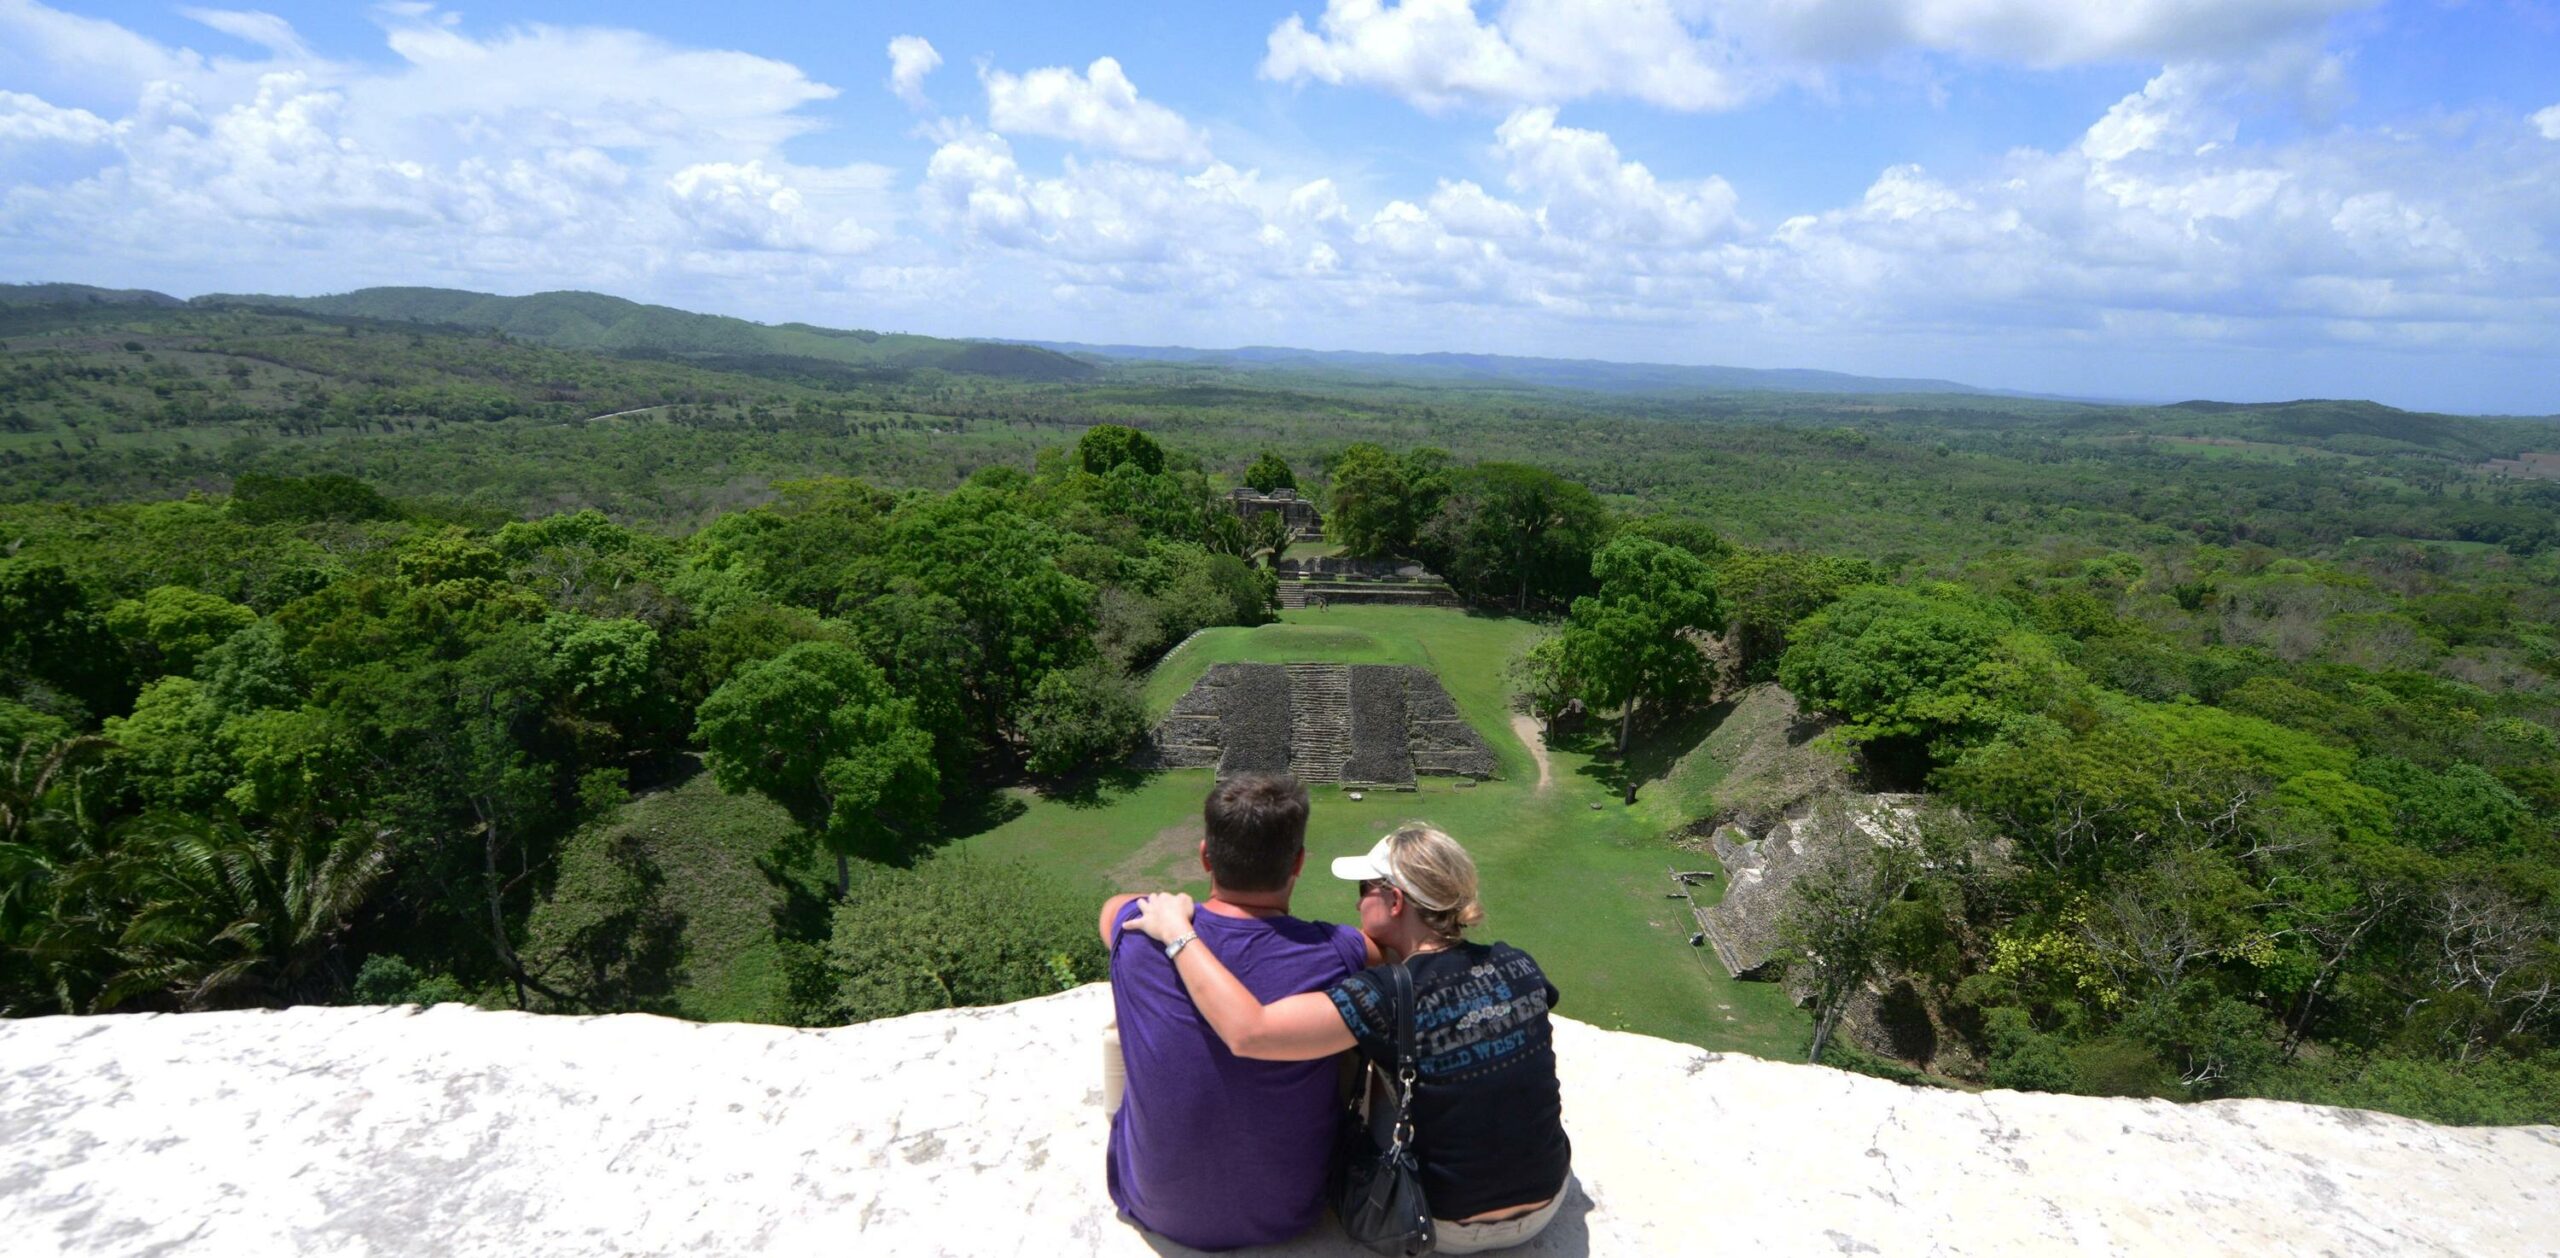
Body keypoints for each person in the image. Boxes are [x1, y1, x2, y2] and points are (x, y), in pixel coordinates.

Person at [1130, 823, 1572, 1255]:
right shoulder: (1517, 963)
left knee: (1362, 1056)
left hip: (1440, 1223)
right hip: (1547, 1199)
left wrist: (1176, 932)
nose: (1357, 903)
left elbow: (1250, 1033)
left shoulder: (1384, 994)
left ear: (1395, 901)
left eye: (1364, 889)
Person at [1098, 773, 1378, 1251]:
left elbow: (1111, 910)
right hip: (1288, 1212)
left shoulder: (1139, 933)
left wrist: (1167, 907)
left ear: (1206, 855)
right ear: (1299, 863)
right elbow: (1382, 952)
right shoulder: (1336, 953)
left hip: (1154, 1206)